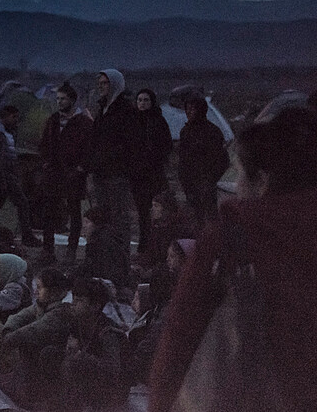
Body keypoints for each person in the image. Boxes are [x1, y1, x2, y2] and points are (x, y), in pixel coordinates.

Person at [150, 107, 317, 412]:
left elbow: (179, 339)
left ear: (262, 181)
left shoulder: (232, 236)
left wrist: (160, 402)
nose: (236, 187)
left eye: (240, 174)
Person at [0, 266, 74, 405]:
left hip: (53, 364)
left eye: (40, 288)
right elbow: (17, 318)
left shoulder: (61, 312)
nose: (36, 291)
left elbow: (33, 331)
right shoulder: (42, 305)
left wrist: (10, 337)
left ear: (53, 291)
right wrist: (9, 329)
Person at [38, 82, 93, 262]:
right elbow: (44, 143)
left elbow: (89, 148)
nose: (60, 102)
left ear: (72, 100)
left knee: (74, 211)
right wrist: (46, 162)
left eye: (63, 99)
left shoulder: (83, 122)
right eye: (58, 99)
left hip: (73, 173)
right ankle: (48, 250)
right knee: (49, 212)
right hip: (53, 173)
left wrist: (81, 168)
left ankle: (71, 250)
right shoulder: (53, 120)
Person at [87, 69, 139, 256]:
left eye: (105, 83)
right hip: (101, 172)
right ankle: (105, 254)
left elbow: (130, 143)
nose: (101, 87)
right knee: (103, 215)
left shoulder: (126, 111)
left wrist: (116, 161)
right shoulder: (102, 109)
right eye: (100, 83)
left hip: (117, 173)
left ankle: (121, 256)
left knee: (119, 218)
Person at [58, 275, 125, 411]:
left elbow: (112, 370)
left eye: (80, 301)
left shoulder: (107, 332)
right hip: (86, 379)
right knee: (51, 354)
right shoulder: (77, 322)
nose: (73, 304)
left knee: (74, 363)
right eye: (74, 299)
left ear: (95, 306)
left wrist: (81, 355)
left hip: (110, 388)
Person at [0, 104, 40, 246]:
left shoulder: (7, 132)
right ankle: (27, 236)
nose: (16, 120)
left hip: (5, 173)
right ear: (5, 117)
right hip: (3, 173)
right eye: (13, 117)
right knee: (22, 202)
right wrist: (1, 178)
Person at [177, 96, 229, 227]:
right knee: (195, 220)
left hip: (206, 183)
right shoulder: (185, 131)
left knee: (210, 220)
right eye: (187, 109)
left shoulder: (212, 132)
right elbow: (183, 159)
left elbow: (222, 160)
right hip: (190, 183)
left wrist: (210, 179)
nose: (189, 112)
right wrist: (183, 179)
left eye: (192, 109)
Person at [133, 88, 173, 255]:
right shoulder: (133, 122)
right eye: (140, 100)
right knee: (142, 211)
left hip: (154, 173)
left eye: (146, 100)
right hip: (137, 174)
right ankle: (144, 245)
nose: (142, 103)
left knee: (156, 210)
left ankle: (156, 246)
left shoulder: (158, 121)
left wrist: (154, 158)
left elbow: (166, 145)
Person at [81, 204, 132, 289]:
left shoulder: (100, 242)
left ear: (96, 223)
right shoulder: (106, 238)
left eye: (87, 222)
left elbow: (97, 268)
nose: (84, 226)